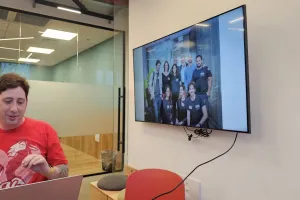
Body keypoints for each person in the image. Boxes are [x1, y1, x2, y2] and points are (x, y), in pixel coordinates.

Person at [0, 73, 68, 190]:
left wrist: (47, 171)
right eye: (8, 101)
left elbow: (64, 172)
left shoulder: (44, 129)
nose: (14, 109)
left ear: (26, 102)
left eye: (20, 102)